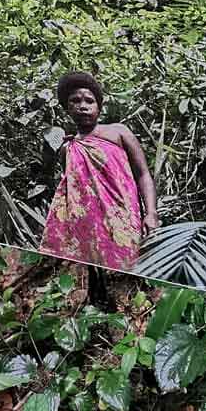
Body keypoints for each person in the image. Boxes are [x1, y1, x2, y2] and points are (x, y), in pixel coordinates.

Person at [39, 72, 159, 272]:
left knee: (127, 272)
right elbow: (71, 195)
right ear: (67, 108)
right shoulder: (67, 149)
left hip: (123, 221)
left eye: (89, 101)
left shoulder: (118, 132)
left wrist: (151, 213)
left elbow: (143, 174)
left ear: (99, 107)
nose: (83, 106)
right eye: (75, 101)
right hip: (85, 229)